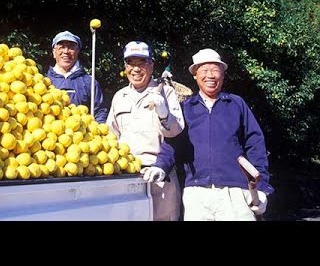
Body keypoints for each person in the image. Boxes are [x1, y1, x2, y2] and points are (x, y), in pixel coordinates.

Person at [175, 48, 274, 221]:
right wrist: (159, 166)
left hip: (235, 192)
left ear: (223, 74)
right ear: (195, 75)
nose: (210, 76)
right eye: (204, 71)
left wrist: (262, 186)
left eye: (215, 70)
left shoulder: (236, 104)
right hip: (196, 193)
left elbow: (255, 144)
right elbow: (172, 145)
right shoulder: (186, 108)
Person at [106, 41, 185, 221]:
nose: (135, 69)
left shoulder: (166, 92)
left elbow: (177, 132)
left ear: (151, 65)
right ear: (125, 67)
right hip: (127, 177)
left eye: (141, 62)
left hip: (160, 176)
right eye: (130, 63)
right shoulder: (120, 96)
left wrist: (164, 113)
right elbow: (111, 136)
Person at [47, 31, 108, 123]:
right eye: (61, 47)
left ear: (77, 51)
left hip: (82, 136)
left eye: (71, 47)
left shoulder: (90, 82)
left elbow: (100, 112)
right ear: (54, 52)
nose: (66, 51)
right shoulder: (44, 81)